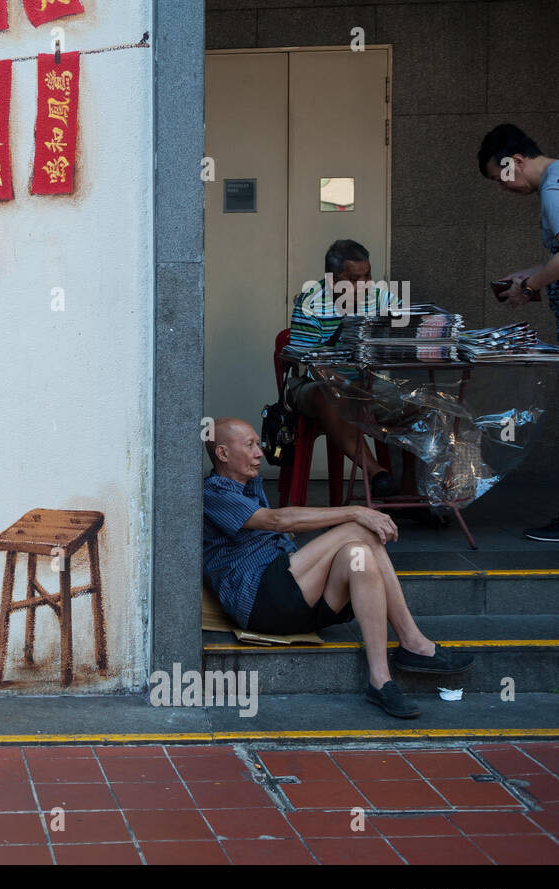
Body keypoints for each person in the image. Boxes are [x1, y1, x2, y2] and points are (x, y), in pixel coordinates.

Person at [202, 417, 474, 718]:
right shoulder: (213, 492)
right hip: (258, 598)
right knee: (360, 530)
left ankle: (380, 680)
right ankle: (412, 642)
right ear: (223, 454)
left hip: (294, 598)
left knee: (359, 555)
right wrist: (357, 511)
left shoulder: (249, 483)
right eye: (250, 445)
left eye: (258, 444)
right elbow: (276, 521)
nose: (260, 453)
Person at [477, 124, 559, 541]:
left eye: (499, 178)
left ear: (517, 162)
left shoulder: (553, 190)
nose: (503, 188)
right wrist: (531, 274)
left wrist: (529, 287)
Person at [285, 239, 403, 499]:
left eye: (367, 276)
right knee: (330, 397)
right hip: (315, 385)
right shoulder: (310, 302)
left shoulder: (380, 297)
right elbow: (311, 363)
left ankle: (417, 494)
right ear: (332, 278)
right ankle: (376, 473)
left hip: (367, 383)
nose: (363, 285)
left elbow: (408, 328)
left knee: (415, 404)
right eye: (353, 279)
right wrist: (347, 386)